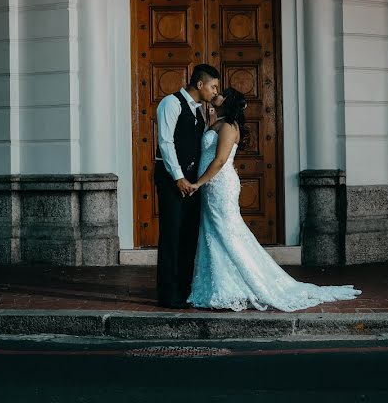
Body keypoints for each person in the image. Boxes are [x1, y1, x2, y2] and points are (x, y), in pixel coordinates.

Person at [186, 87, 362, 312]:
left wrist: (199, 183)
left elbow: (220, 160)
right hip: (211, 187)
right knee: (214, 233)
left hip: (219, 186)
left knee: (228, 233)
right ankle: (220, 286)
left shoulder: (229, 127)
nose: (216, 95)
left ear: (227, 102)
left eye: (221, 94)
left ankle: (248, 284)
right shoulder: (218, 122)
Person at [154, 64, 220, 309]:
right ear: (200, 84)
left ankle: (184, 290)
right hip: (173, 180)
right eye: (213, 86)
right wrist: (178, 177)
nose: (215, 91)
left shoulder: (200, 110)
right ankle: (168, 295)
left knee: (189, 236)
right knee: (172, 235)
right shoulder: (170, 103)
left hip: (192, 182)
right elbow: (165, 141)